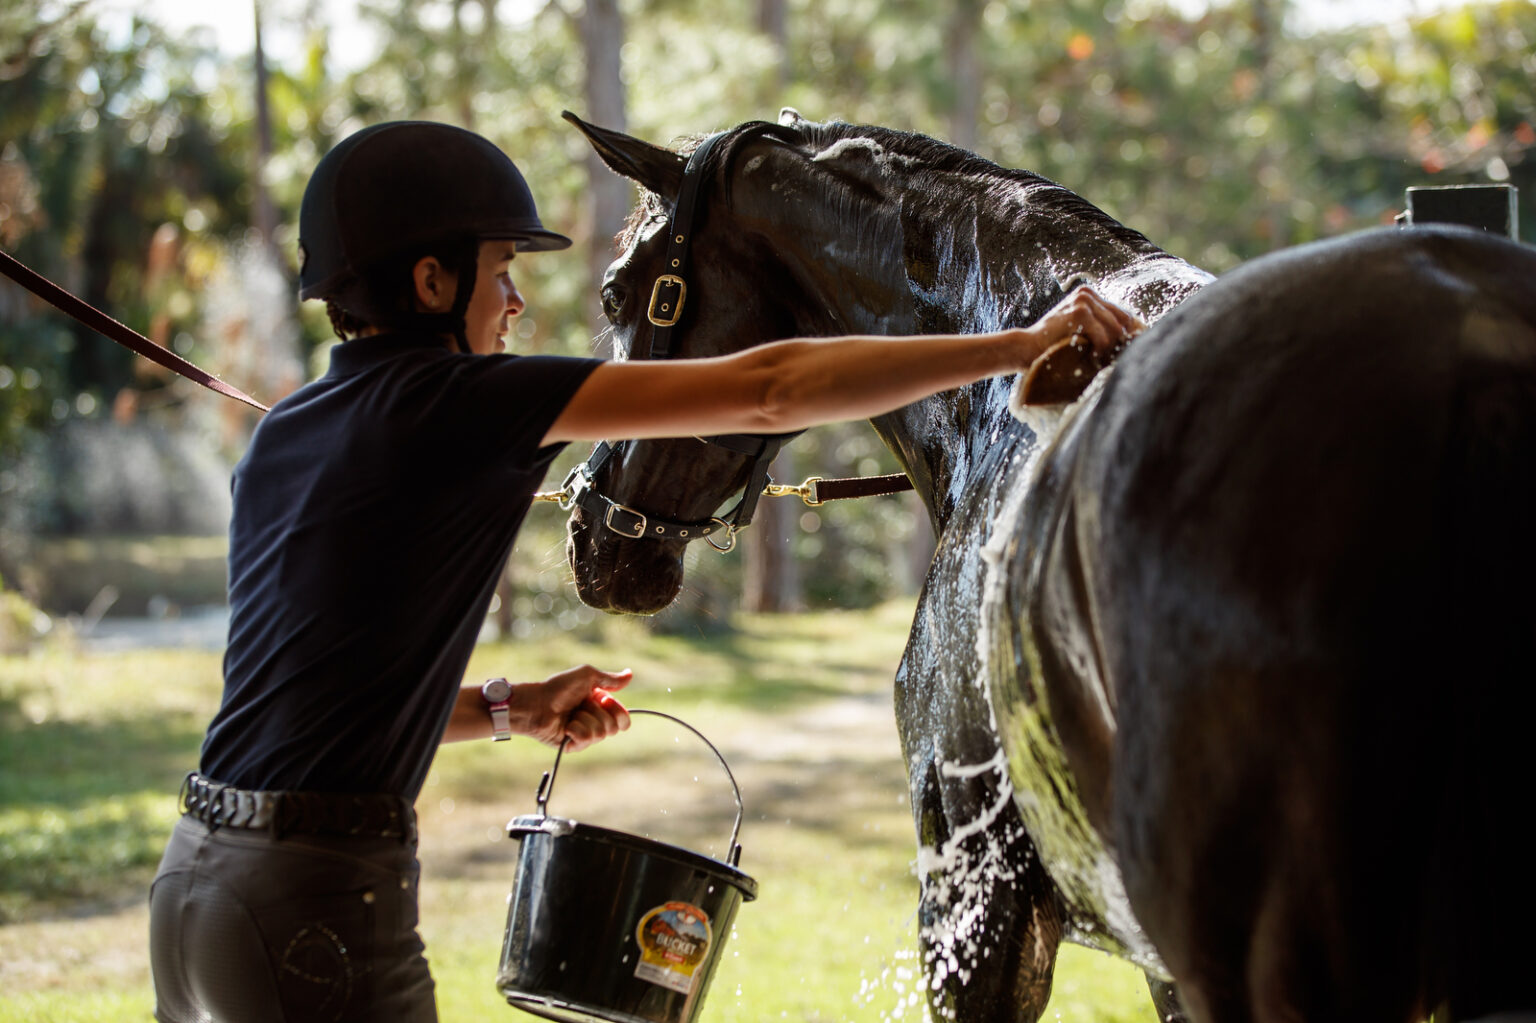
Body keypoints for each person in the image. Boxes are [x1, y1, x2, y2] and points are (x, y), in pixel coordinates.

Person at [147, 120, 1142, 1023]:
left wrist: (512, 707)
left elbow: (309, 702)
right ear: (432, 283)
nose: (516, 300)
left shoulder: (283, 433)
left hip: (196, 884)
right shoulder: (466, 399)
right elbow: (768, 390)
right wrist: (1024, 343)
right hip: (318, 905)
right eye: (501, 270)